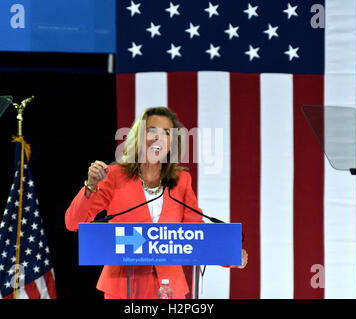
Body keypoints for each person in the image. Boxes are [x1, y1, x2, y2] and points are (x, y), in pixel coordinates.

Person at [65, 107, 248, 299]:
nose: (158, 138)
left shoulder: (181, 180)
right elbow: (73, 222)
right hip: (123, 288)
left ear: (171, 144)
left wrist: (229, 253)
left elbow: (196, 234)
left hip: (170, 288)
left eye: (166, 133)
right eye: (152, 130)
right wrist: (90, 186)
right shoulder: (114, 176)